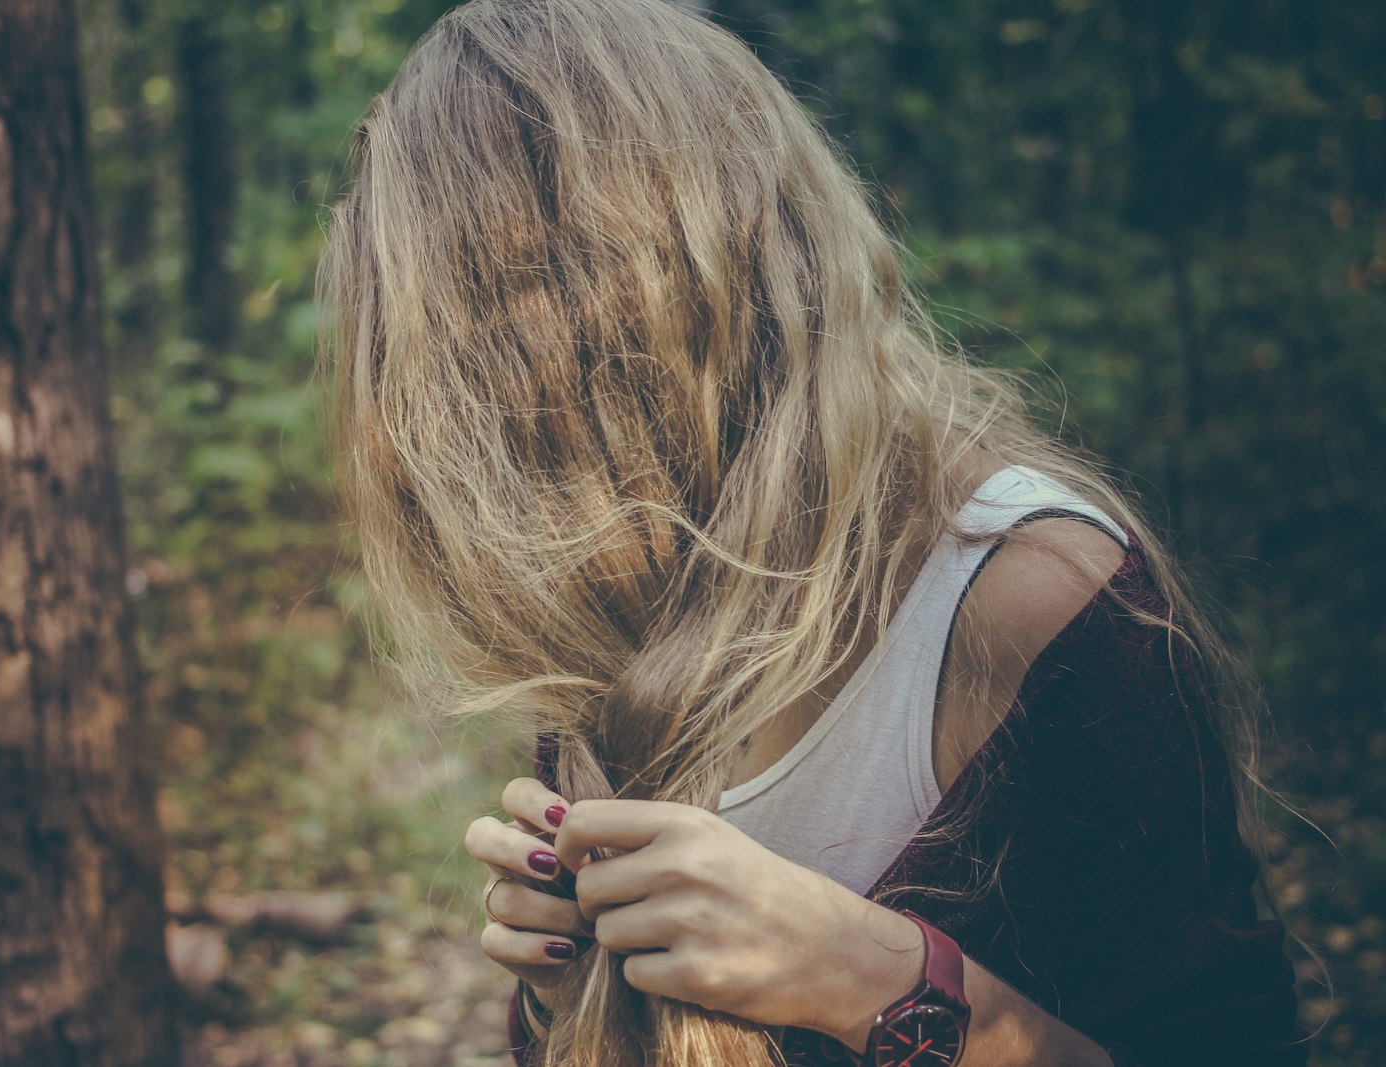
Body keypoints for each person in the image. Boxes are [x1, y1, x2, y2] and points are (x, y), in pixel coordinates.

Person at [318, 1, 1309, 1064]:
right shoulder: (620, 589)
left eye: (499, 386)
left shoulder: (1031, 600)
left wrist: (879, 980)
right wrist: (563, 992)